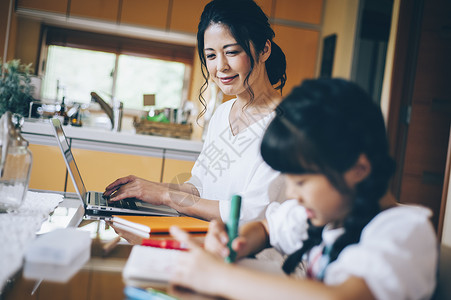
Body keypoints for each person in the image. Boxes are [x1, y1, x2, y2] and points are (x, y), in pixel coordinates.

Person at [169, 78, 439, 300]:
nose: (293, 194)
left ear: (359, 169)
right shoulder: (330, 213)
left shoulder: (404, 233)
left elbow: (343, 297)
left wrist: (221, 277)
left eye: (301, 182)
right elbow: (267, 228)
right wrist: (237, 241)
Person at [103, 0, 287, 223]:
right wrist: (147, 187)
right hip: (206, 243)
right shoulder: (222, 114)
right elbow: (199, 187)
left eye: (231, 52)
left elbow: (250, 214)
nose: (220, 67)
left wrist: (164, 195)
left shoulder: (289, 125)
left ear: (264, 49)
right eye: (211, 56)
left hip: (255, 256)